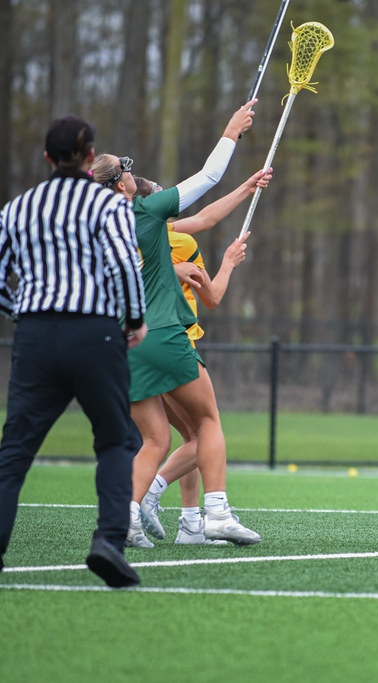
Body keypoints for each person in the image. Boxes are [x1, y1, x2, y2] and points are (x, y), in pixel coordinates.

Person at [91, 99, 262, 546]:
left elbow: (196, 223)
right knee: (208, 422)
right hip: (163, 333)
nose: (133, 173)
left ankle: (123, 518)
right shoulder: (145, 211)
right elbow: (207, 178)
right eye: (126, 170)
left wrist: (245, 190)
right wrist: (231, 130)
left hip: (119, 346)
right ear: (120, 185)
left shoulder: (94, 230)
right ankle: (217, 513)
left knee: (154, 441)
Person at [0, 116, 147, 587]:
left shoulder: (16, 209)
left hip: (36, 336)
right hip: (95, 333)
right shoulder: (106, 206)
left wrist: (22, 313)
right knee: (115, 438)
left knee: (15, 450)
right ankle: (108, 540)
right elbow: (125, 264)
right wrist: (135, 319)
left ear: (46, 158)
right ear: (89, 159)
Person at [133, 171, 267, 544]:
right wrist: (227, 264)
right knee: (205, 429)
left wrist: (247, 185)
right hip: (175, 342)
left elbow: (207, 216)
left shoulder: (126, 232)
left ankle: (190, 523)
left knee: (184, 435)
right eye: (158, 194)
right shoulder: (174, 241)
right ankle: (153, 496)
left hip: (137, 347)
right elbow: (213, 297)